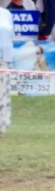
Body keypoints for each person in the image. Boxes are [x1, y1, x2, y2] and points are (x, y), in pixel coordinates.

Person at [0, 7, 13, 138]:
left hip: (5, 58)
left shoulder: (6, 13)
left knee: (3, 92)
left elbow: (11, 34)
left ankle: (2, 126)